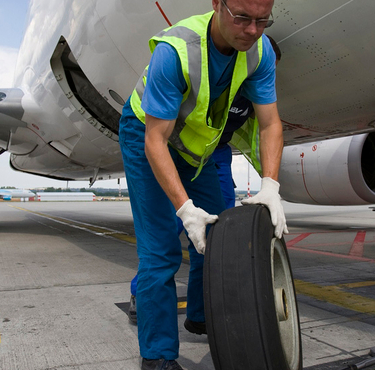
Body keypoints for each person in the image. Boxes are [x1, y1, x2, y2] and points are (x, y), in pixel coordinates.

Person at [118, 0, 288, 368]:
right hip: (148, 136)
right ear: (216, 5)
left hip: (200, 145)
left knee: (216, 235)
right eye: (242, 18)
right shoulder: (175, 51)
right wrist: (184, 208)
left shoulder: (260, 53)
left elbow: (271, 123)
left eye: (263, 20)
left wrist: (271, 185)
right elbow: (155, 141)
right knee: (161, 251)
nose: (253, 31)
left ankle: (200, 315)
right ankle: (158, 356)